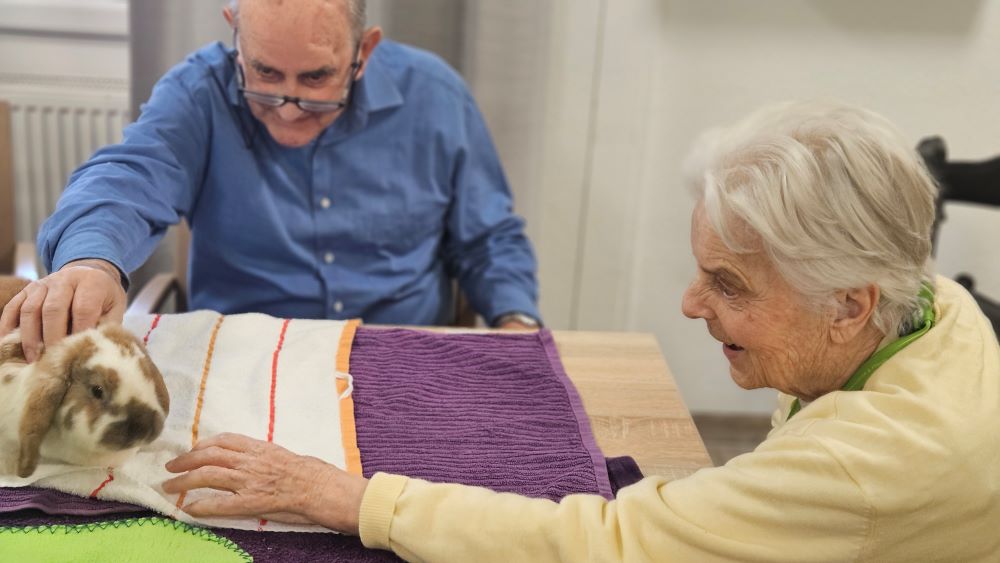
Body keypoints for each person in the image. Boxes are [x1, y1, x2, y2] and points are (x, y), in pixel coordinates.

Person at [162, 101, 1000, 561]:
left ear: (850, 304)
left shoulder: (867, 464)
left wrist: (347, 495)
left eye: (728, 284)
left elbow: (604, 545)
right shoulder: (928, 301)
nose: (689, 303)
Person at [0, 0, 540, 363]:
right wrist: (91, 262)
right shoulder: (200, 91)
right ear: (235, 31)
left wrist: (516, 324)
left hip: (400, 358)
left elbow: (490, 238)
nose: (286, 110)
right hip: (246, 362)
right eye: (263, 74)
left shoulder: (435, 95)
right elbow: (127, 178)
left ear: (364, 52)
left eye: (315, 79)